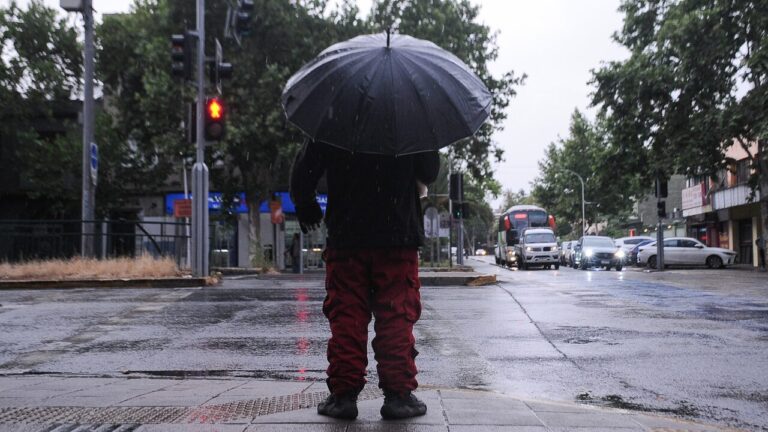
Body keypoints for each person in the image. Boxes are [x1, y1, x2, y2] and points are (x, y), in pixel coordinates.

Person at [290, 139, 439, 420]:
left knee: (347, 316)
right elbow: (429, 172)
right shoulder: (410, 121)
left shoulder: (335, 121)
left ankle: (343, 395)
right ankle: (398, 396)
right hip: (397, 234)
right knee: (396, 316)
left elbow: (304, 170)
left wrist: (307, 205)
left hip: (348, 234)